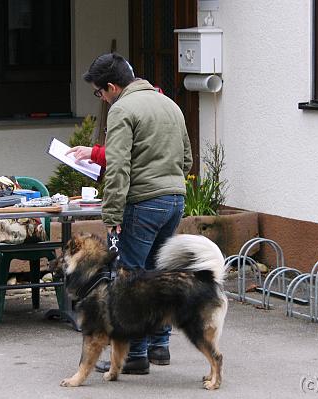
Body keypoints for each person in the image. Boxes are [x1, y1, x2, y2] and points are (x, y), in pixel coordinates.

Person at [81, 52, 192, 375]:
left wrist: (112, 214)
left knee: (131, 280)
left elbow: (117, 168)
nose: (101, 99)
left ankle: (134, 355)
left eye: (99, 93)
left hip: (142, 203)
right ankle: (160, 345)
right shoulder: (168, 103)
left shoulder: (122, 110)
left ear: (112, 87)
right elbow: (186, 159)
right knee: (158, 276)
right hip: (174, 200)